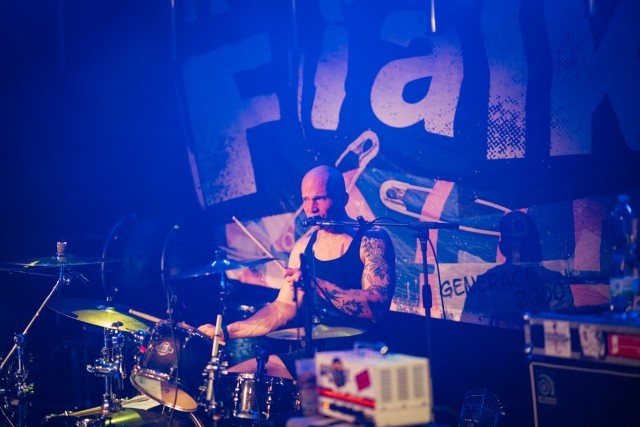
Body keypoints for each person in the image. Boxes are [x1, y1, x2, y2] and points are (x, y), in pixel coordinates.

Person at [198, 165, 396, 379]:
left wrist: (313, 284)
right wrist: (227, 331)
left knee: (317, 392)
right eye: (306, 200)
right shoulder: (303, 248)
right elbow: (281, 310)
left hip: (360, 357)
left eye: (319, 199)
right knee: (228, 378)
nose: (311, 208)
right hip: (315, 356)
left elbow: (377, 305)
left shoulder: (372, 240)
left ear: (343, 199)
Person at [461, 210, 574, 328]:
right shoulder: (555, 281)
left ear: (502, 248)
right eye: (516, 247)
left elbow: (468, 329)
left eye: (524, 245)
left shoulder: (486, 283)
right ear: (538, 246)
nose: (520, 252)